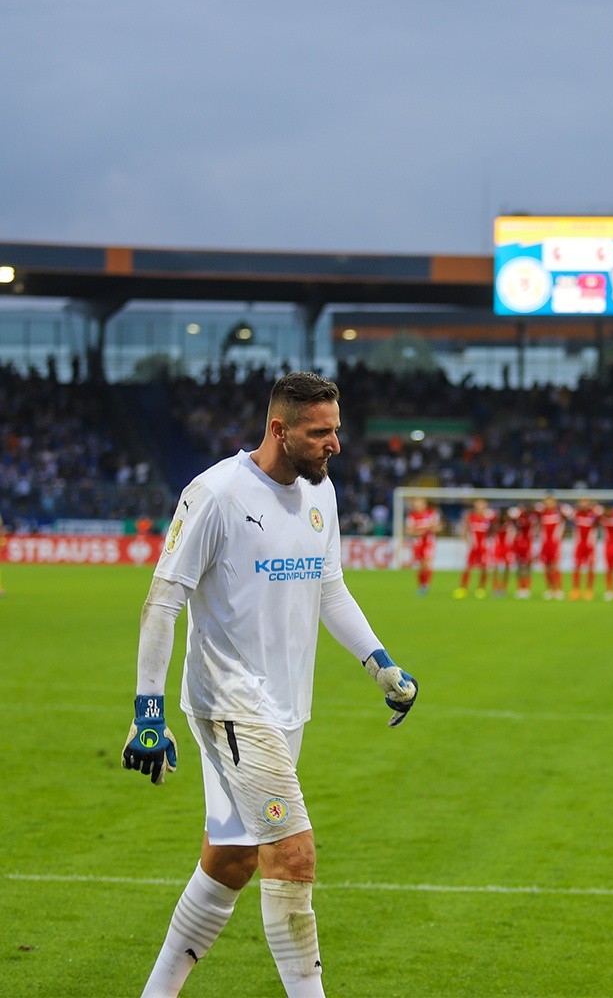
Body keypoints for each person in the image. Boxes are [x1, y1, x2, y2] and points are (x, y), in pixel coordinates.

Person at [121, 372, 418, 998]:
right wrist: (148, 710)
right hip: (231, 703)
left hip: (286, 708)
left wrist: (380, 664)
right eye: (320, 433)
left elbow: (328, 586)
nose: (334, 444)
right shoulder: (217, 494)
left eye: (336, 429)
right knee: (294, 854)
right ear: (278, 429)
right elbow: (162, 602)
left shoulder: (322, 492)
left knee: (231, 858)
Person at [453, 497, 495, 599]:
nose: (480, 506)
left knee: (484, 568)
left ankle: (481, 588)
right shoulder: (470, 517)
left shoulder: (490, 517)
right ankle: (463, 588)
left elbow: (494, 530)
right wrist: (466, 540)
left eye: (482, 504)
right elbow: (465, 530)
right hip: (473, 547)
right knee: (468, 567)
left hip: (484, 547)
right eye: (478, 504)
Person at [405, 496, 441, 595]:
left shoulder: (432, 513)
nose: (418, 506)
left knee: (427, 562)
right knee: (420, 565)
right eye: (416, 505)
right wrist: (419, 531)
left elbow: (438, 528)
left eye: (420, 504)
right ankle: (422, 585)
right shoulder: (412, 516)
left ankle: (426, 585)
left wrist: (430, 529)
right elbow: (409, 530)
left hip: (429, 542)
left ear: (424, 504)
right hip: (418, 542)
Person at [537, 494, 570, 600]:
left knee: (555, 566)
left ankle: (558, 589)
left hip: (555, 544)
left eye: (550, 502)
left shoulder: (559, 512)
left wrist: (560, 507)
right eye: (546, 502)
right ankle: (550, 589)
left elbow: (570, 513)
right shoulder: (542, 513)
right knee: (546, 567)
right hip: (544, 544)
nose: (548, 504)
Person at [568, 498, 602, 601]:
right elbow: (567, 512)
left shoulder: (594, 514)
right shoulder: (577, 513)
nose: (583, 504)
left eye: (586, 502)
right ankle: (575, 590)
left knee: (591, 567)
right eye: (581, 502)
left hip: (590, 546)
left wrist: (593, 506)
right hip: (579, 545)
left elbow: (600, 512)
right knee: (577, 567)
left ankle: (589, 590)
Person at [509, 503, 536, 599]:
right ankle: (520, 588)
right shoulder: (517, 517)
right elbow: (510, 516)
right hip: (518, 543)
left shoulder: (532, 518)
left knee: (528, 566)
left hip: (528, 543)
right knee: (519, 566)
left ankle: (527, 588)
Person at [490, 506, 516, 596]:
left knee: (507, 568)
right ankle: (495, 587)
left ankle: (504, 587)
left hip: (507, 547)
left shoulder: (510, 523)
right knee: (496, 567)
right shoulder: (495, 523)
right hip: (498, 547)